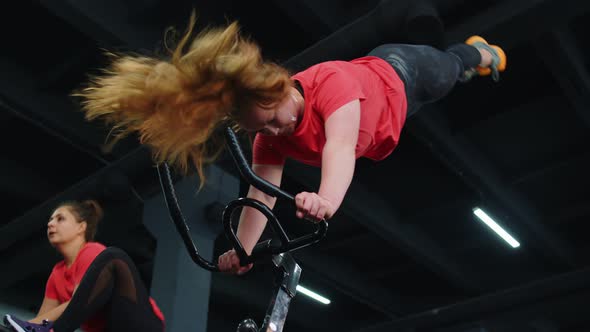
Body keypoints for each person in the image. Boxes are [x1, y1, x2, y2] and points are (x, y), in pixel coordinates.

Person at [73, 13, 506, 275]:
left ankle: (480, 54)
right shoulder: (267, 138)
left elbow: (338, 147)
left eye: (275, 122)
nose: (277, 134)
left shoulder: (331, 84)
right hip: (392, 120)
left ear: (279, 90)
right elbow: (259, 193)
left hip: (405, 72)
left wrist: (326, 198)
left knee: (451, 71)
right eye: (265, 131)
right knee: (436, 95)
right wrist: (240, 251)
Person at [3, 200, 165, 332]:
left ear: (81, 227)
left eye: (60, 219)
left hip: (139, 323)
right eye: (50, 220)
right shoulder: (57, 273)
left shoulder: (92, 253)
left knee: (113, 256)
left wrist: (38, 327)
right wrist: (25, 326)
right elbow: (43, 319)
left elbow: (78, 300)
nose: (50, 224)